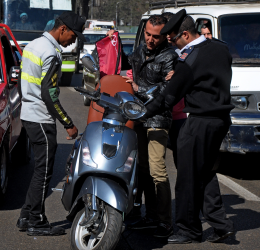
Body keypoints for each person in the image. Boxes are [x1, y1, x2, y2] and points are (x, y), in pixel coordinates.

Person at [145, 9, 235, 244]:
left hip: (199, 122)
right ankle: (220, 224)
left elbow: (168, 97)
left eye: (173, 39)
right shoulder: (220, 48)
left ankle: (188, 230)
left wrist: (144, 111)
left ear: (185, 35)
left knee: (186, 176)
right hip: (221, 120)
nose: (172, 44)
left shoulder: (189, 59)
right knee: (205, 173)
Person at [16, 11, 86, 236]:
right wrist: (68, 122)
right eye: (73, 36)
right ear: (63, 29)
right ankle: (36, 221)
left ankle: (26, 215)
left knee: (39, 170)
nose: (73, 42)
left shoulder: (32, 45)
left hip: (28, 114)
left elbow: (22, 81)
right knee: (44, 171)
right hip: (41, 118)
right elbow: (49, 94)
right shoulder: (52, 54)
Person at [108, 15, 177, 238]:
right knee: (142, 169)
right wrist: (113, 42)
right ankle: (151, 215)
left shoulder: (170, 56)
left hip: (157, 118)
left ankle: (165, 222)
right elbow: (126, 62)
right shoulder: (140, 48)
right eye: (147, 34)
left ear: (165, 36)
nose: (149, 39)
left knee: (157, 170)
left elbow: (168, 90)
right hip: (137, 115)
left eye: (155, 36)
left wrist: (138, 87)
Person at [161, 12, 187, 167]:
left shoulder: (185, 49)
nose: (169, 36)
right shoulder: (153, 49)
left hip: (179, 115)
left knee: (183, 158)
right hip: (158, 113)